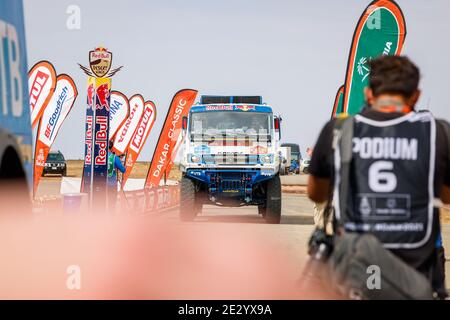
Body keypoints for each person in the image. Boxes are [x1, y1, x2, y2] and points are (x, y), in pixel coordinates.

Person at [307, 56, 450, 297]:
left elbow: (316, 193)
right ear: (415, 95)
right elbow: (446, 197)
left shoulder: (337, 130)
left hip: (355, 270)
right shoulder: (438, 133)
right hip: (416, 277)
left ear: (368, 93)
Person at [108, 141, 126, 209]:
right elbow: (123, 170)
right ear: (112, 147)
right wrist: (120, 161)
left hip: (102, 184)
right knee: (112, 204)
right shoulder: (115, 157)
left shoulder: (101, 157)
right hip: (112, 184)